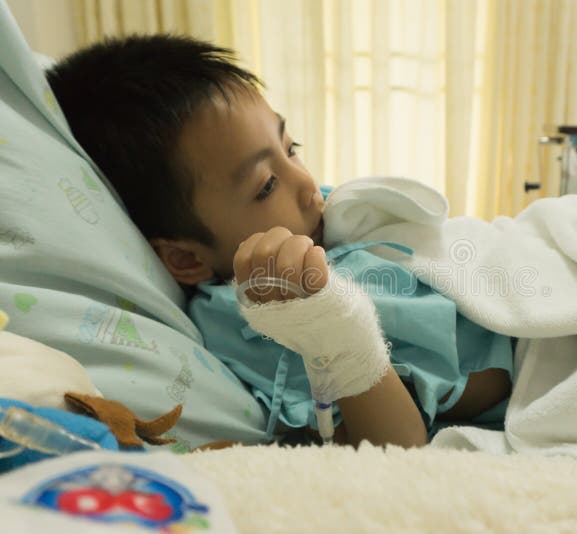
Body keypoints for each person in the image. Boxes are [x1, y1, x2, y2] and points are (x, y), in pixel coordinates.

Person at [46, 34, 513, 448]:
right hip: (540, 362)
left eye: (292, 149)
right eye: (267, 185)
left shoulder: (326, 219)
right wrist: (336, 330)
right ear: (186, 256)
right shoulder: (257, 316)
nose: (310, 186)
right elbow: (394, 445)